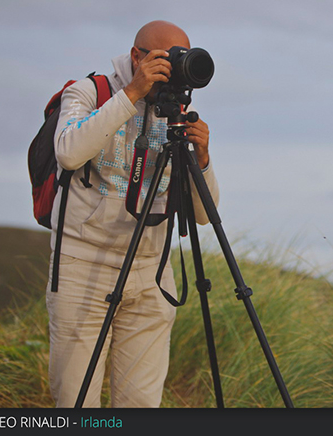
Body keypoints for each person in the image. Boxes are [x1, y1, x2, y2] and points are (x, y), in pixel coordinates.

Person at [46, 20, 220, 407]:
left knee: (140, 405)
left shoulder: (175, 110)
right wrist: (132, 93)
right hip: (84, 266)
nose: (174, 68)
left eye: (181, 58)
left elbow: (203, 215)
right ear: (137, 56)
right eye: (165, 58)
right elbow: (69, 152)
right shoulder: (89, 92)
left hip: (150, 272)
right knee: (77, 403)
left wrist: (203, 158)